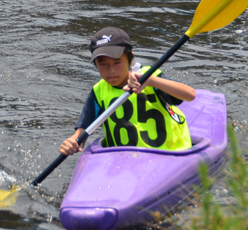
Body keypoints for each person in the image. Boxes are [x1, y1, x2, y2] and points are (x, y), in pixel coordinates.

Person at [59, 27, 195, 156]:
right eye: (102, 64)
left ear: (131, 60)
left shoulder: (150, 77)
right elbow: (82, 132)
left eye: (117, 62)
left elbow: (190, 95)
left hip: (168, 153)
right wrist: (72, 142)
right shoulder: (98, 92)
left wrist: (151, 81)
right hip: (125, 160)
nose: (111, 70)